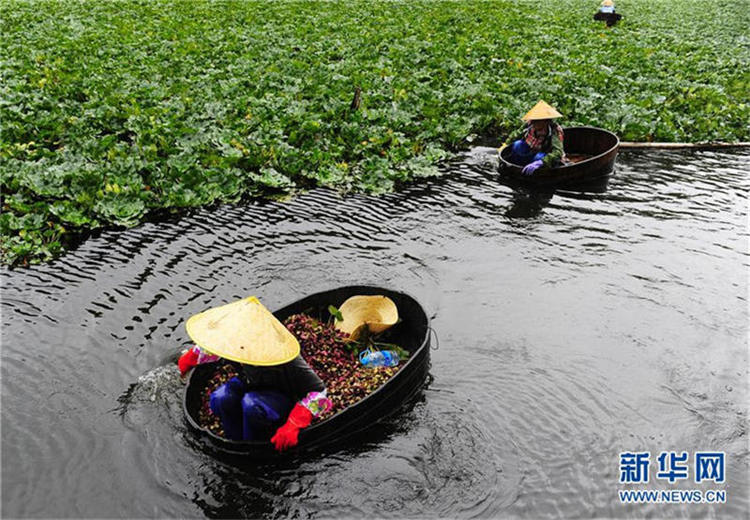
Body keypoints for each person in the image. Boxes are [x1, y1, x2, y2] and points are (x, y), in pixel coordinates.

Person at [178, 296, 331, 451]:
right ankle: (234, 440)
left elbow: (321, 392)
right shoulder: (234, 342)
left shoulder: (284, 356)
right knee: (221, 398)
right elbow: (212, 347)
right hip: (249, 384)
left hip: (280, 396)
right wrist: (189, 359)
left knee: (251, 405)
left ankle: (252, 446)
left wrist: (294, 423)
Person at [503, 100, 565, 175]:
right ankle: (520, 168)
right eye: (534, 121)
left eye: (538, 121)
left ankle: (535, 173)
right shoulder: (530, 124)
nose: (534, 123)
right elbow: (517, 134)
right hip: (531, 150)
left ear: (546, 121)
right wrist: (505, 144)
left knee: (538, 157)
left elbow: (557, 152)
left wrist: (541, 162)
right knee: (517, 145)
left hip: (545, 155)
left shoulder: (555, 130)